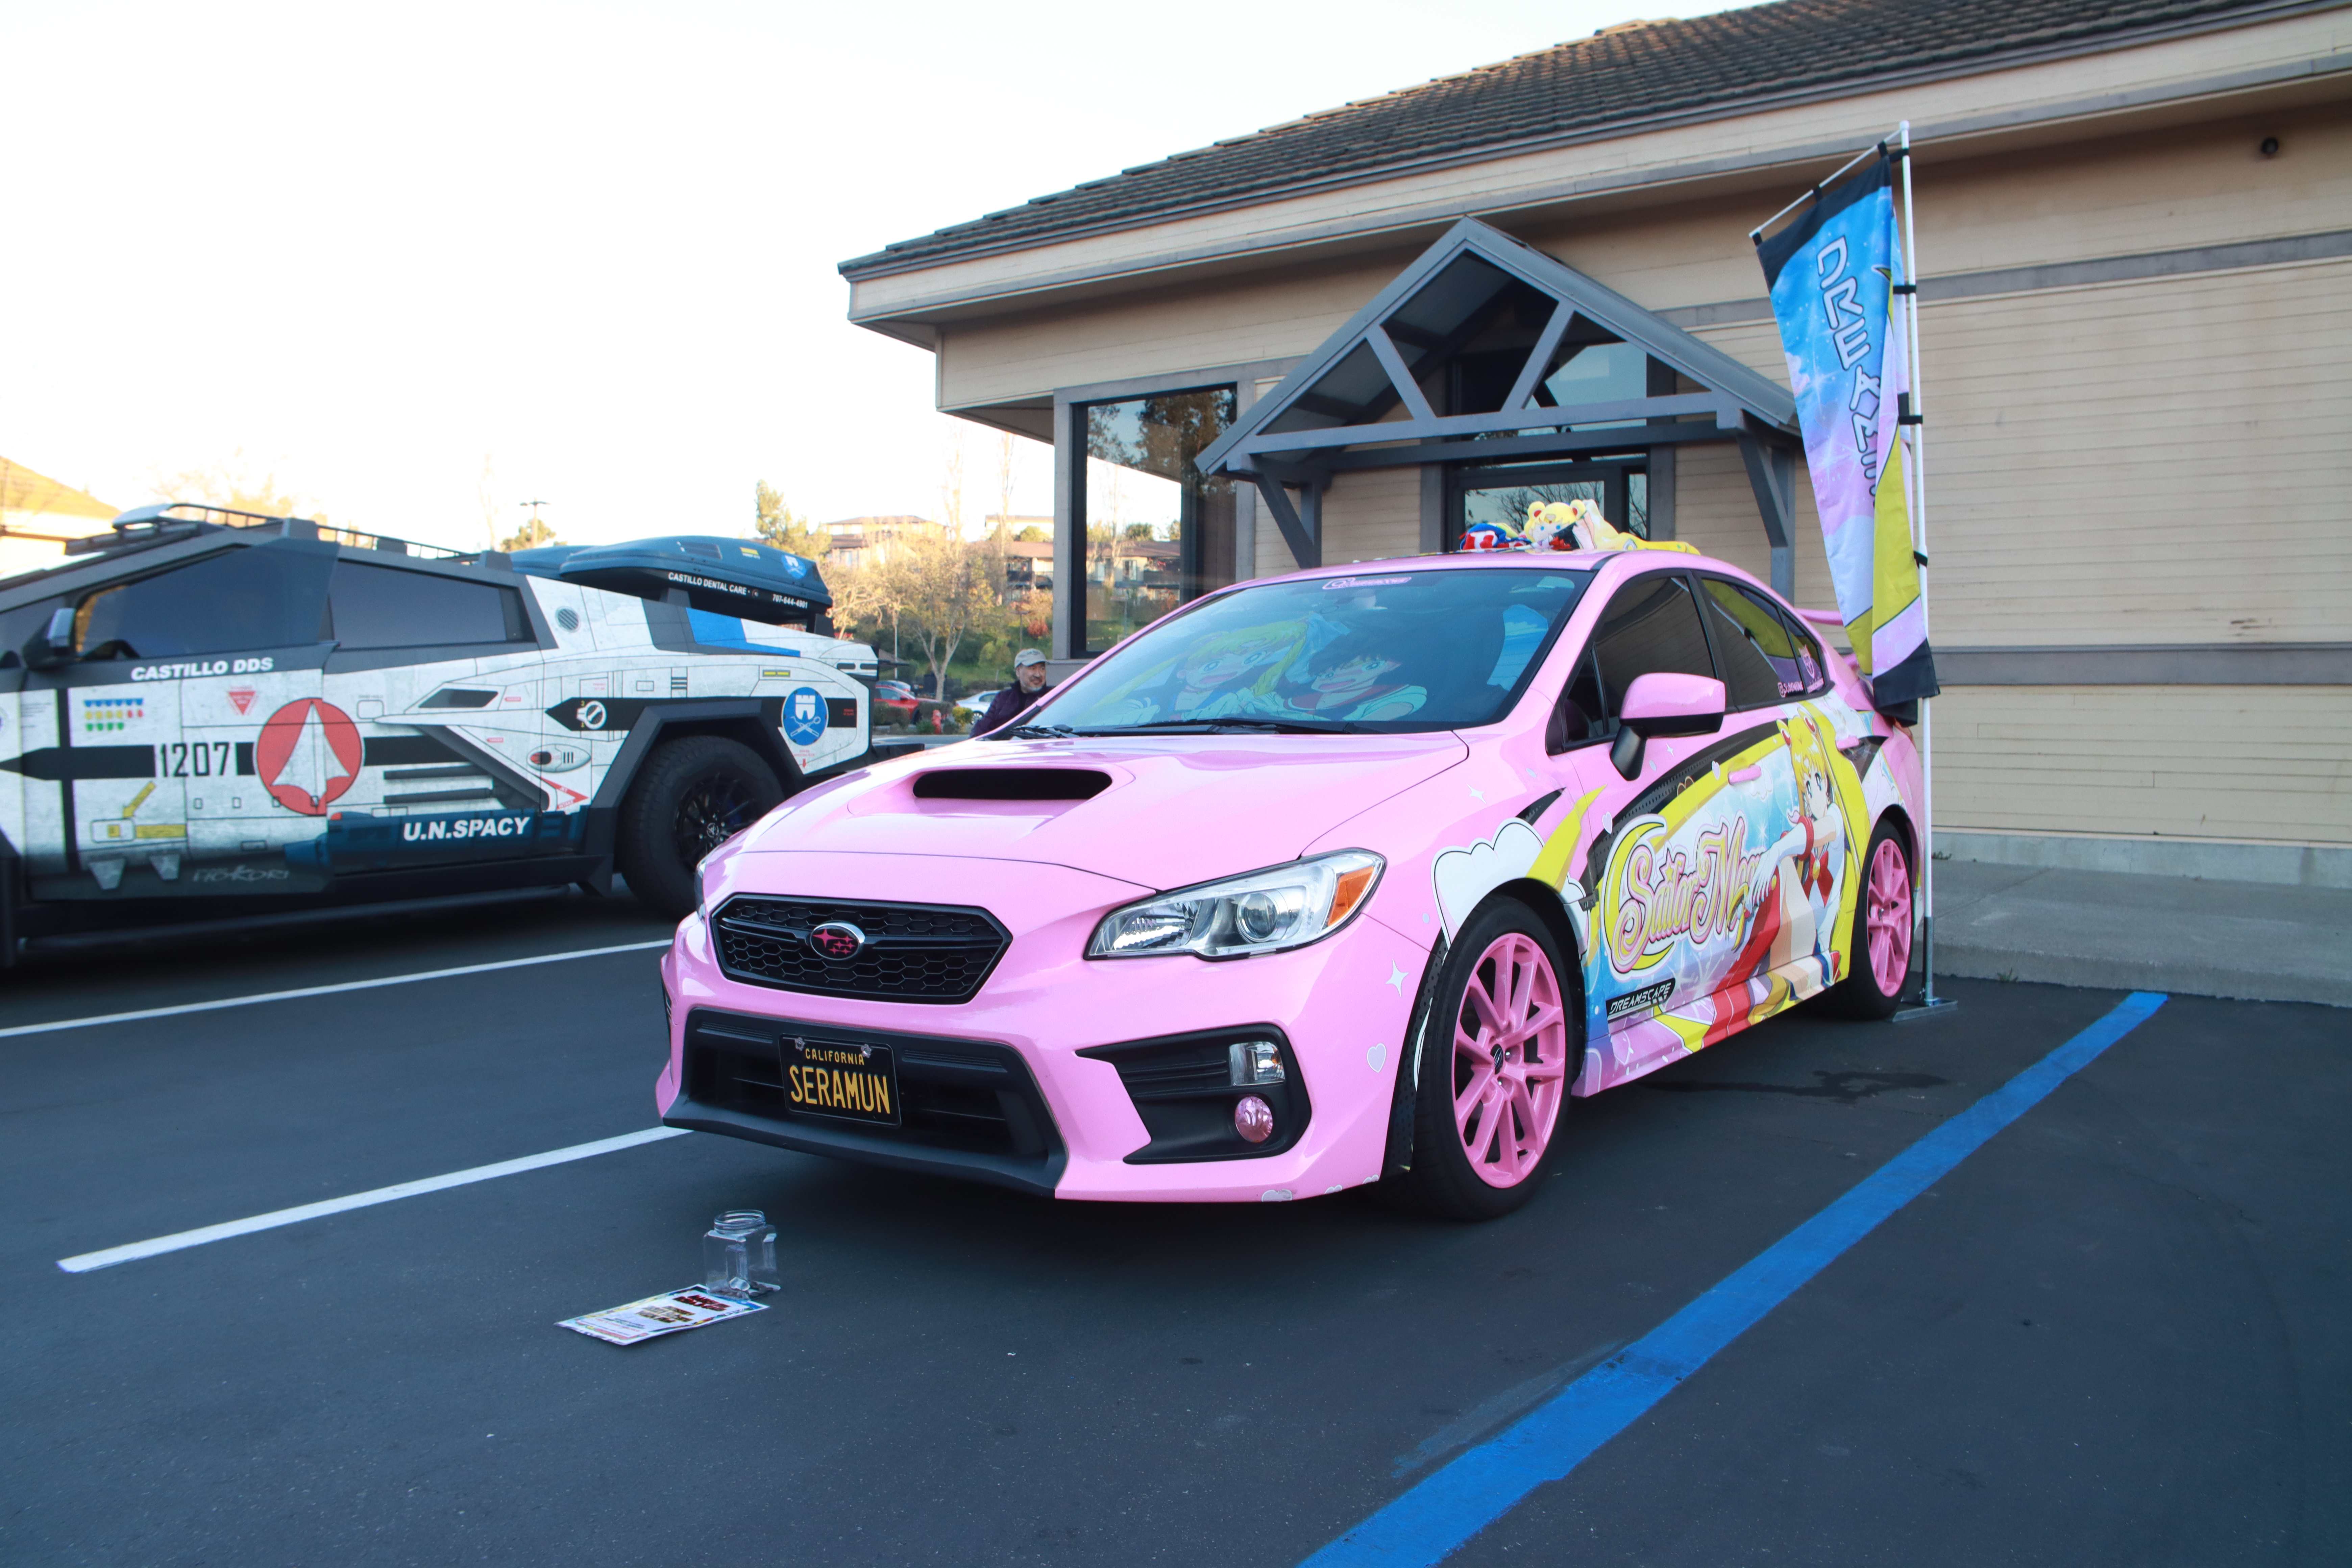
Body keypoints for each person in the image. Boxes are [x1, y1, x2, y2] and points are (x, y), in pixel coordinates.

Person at [975, 648, 1050, 734]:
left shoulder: (1054, 697)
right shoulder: (1003, 699)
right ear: (1018, 671)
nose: (1038, 674)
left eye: (1042, 668)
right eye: (1032, 668)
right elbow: (982, 728)